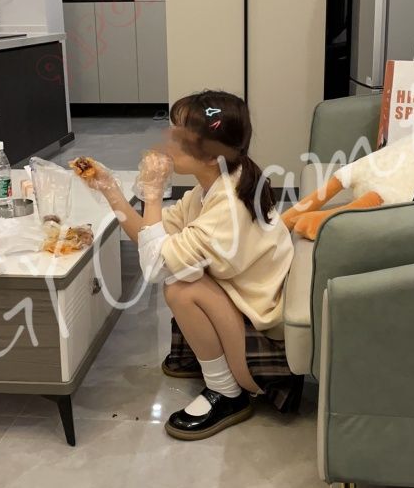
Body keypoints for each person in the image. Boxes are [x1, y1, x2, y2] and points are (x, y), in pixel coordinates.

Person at [71, 89, 296, 440]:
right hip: (242, 300)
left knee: (179, 287)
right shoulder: (213, 186)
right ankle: (212, 361)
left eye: (180, 136)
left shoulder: (227, 205)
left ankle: (227, 393)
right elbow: (151, 237)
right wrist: (110, 189)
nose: (167, 141)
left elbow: (155, 266)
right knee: (178, 271)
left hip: (263, 330)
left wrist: (153, 194)